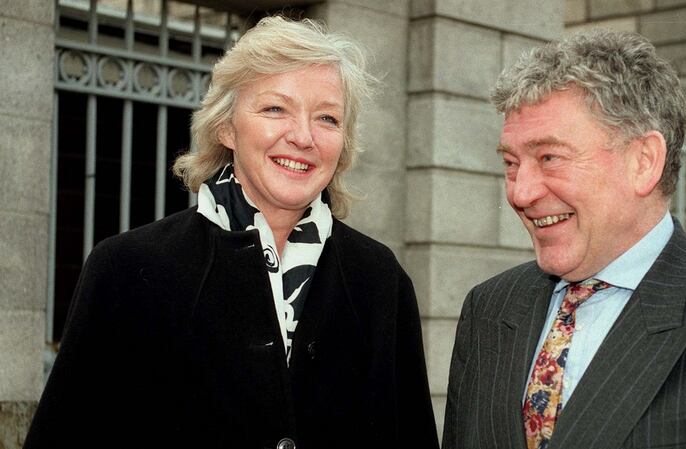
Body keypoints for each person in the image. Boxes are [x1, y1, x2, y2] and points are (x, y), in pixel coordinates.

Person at [25, 16, 438, 449]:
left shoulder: (380, 280)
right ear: (226, 127)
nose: (303, 137)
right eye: (275, 109)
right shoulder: (127, 270)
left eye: (327, 118)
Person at [442, 29, 686, 449]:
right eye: (510, 163)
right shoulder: (488, 309)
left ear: (643, 161)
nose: (520, 193)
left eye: (549, 157)